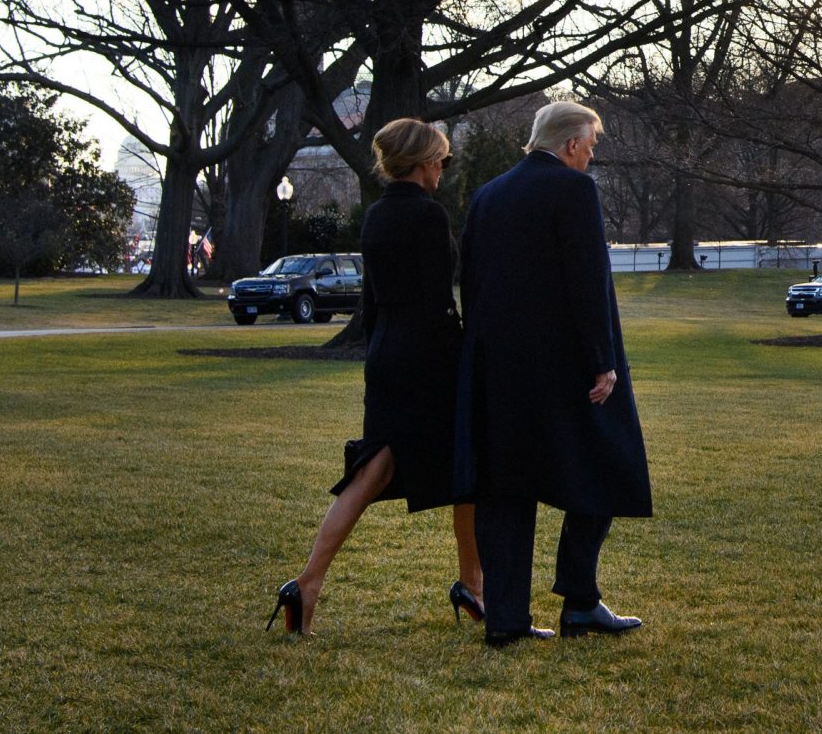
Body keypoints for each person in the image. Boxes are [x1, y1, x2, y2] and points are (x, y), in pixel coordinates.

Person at [267, 118, 483, 635]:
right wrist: (466, 356)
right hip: (426, 361)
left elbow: (372, 302)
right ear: (425, 161)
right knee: (467, 465)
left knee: (375, 471)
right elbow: (436, 307)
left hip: (386, 355)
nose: (443, 170)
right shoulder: (429, 216)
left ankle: (308, 583)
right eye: (442, 160)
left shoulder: (376, 214)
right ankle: (474, 588)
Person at [455, 99, 652, 646]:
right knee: (609, 464)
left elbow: (470, 281)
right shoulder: (573, 190)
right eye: (590, 144)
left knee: (506, 487)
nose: (591, 155)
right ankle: (580, 599)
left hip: (498, 368)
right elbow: (586, 279)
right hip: (566, 366)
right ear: (570, 144)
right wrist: (601, 360)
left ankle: (507, 620)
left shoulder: (487, 195)